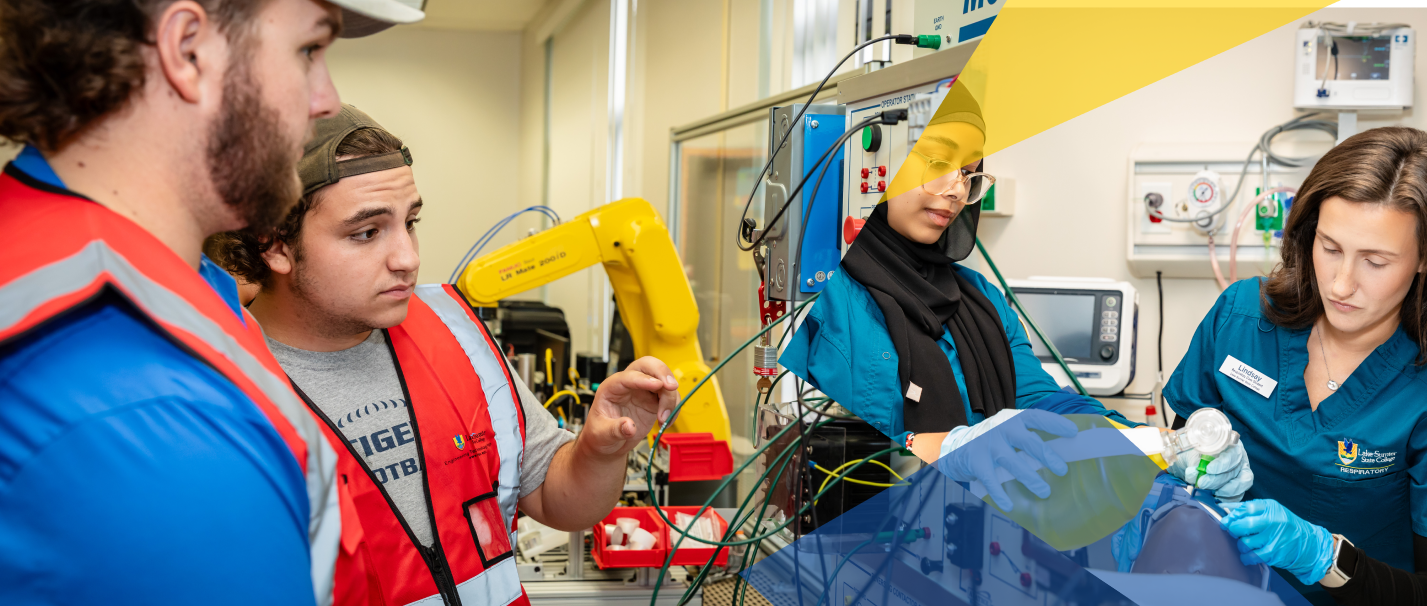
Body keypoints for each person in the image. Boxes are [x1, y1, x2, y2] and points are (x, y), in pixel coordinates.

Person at [0, 1, 421, 604]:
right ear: (188, 49)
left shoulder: (165, 280)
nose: (326, 99)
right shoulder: (140, 408)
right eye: (308, 51)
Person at [205, 105, 680, 606]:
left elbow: (557, 499)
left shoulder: (452, 331)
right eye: (366, 233)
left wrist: (599, 450)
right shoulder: (222, 386)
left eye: (409, 222)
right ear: (273, 244)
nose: (407, 257)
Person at [780, 84, 1246, 511]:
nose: (956, 190)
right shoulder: (827, 298)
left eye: (969, 173)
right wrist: (949, 448)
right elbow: (854, 427)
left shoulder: (977, 295)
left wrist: (1154, 444)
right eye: (937, 163)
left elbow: (1043, 401)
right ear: (874, 169)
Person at [1166, 126, 1427, 605]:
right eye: (1330, 248)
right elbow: (1181, 445)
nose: (1342, 284)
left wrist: (1326, 559)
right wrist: (1189, 457)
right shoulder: (1242, 318)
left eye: (1375, 261)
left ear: (1422, 259)